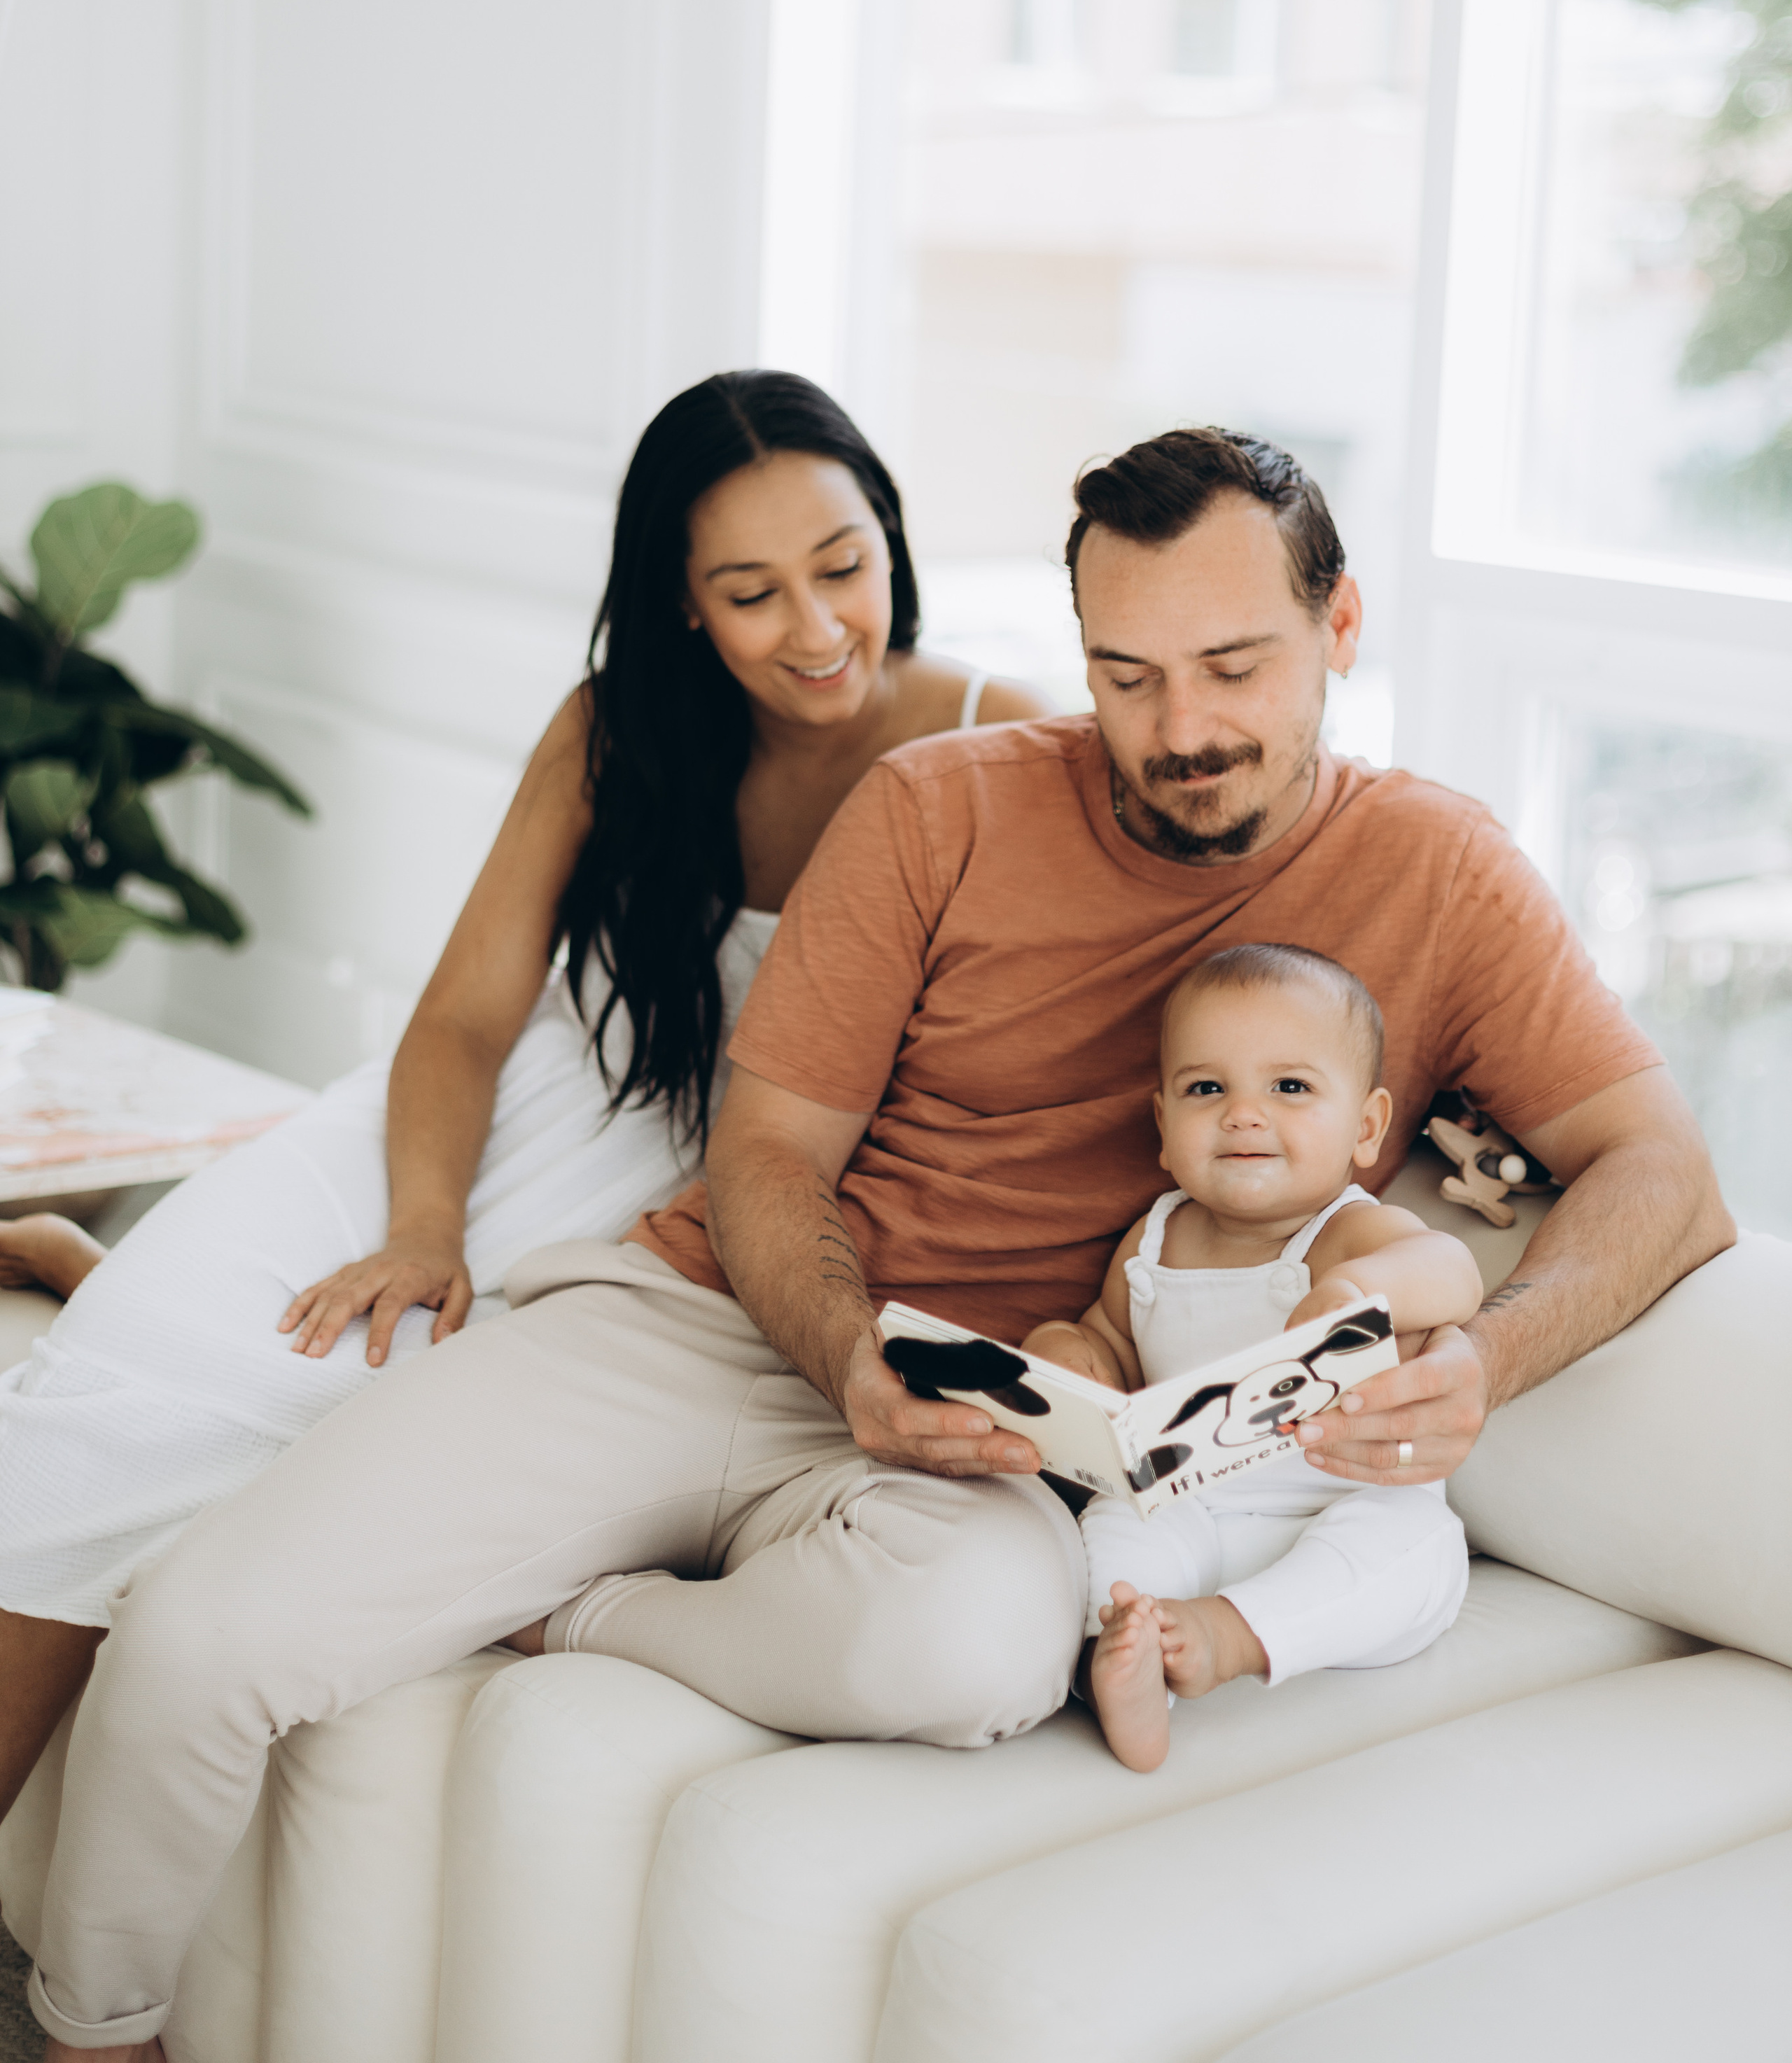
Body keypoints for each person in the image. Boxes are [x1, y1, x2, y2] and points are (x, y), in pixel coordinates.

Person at [20, 426, 1735, 2063]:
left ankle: (589, 1609)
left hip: (1004, 1442)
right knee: (204, 1637)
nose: (1179, 727)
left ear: (1336, 623)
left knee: (976, 1653)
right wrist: (846, 1350)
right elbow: (769, 1147)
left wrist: (1485, 1361)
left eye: (1233, 664)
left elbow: (1658, 1166)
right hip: (717, 1326)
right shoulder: (937, 804)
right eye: (1125, 674)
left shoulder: (1439, 871)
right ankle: (87, 2024)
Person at [0, 368, 1045, 1838]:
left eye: (841, 567)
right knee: (90, 1415)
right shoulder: (619, 724)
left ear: (891, 534)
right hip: (512, 1105)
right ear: (682, 602)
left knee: (309, 1429)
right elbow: (466, 1015)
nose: (815, 632)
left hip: (698, 1185)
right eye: (750, 594)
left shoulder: (1004, 746)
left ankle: (85, 1260)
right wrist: (423, 1221)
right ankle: (113, 1281)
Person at [1026, 943, 1480, 1774]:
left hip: (1345, 1504)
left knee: (1416, 1549)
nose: (1243, 1114)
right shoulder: (1155, 1237)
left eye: (1290, 1088)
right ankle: (1131, 1655)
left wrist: (1355, 1293)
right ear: (1163, 1127)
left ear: (1366, 1127)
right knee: (1116, 1527)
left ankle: (1225, 1635)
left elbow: (1452, 1272)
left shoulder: (1350, 1230)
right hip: (1198, 1507)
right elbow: (1111, 1336)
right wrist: (1068, 1352)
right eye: (1207, 1088)